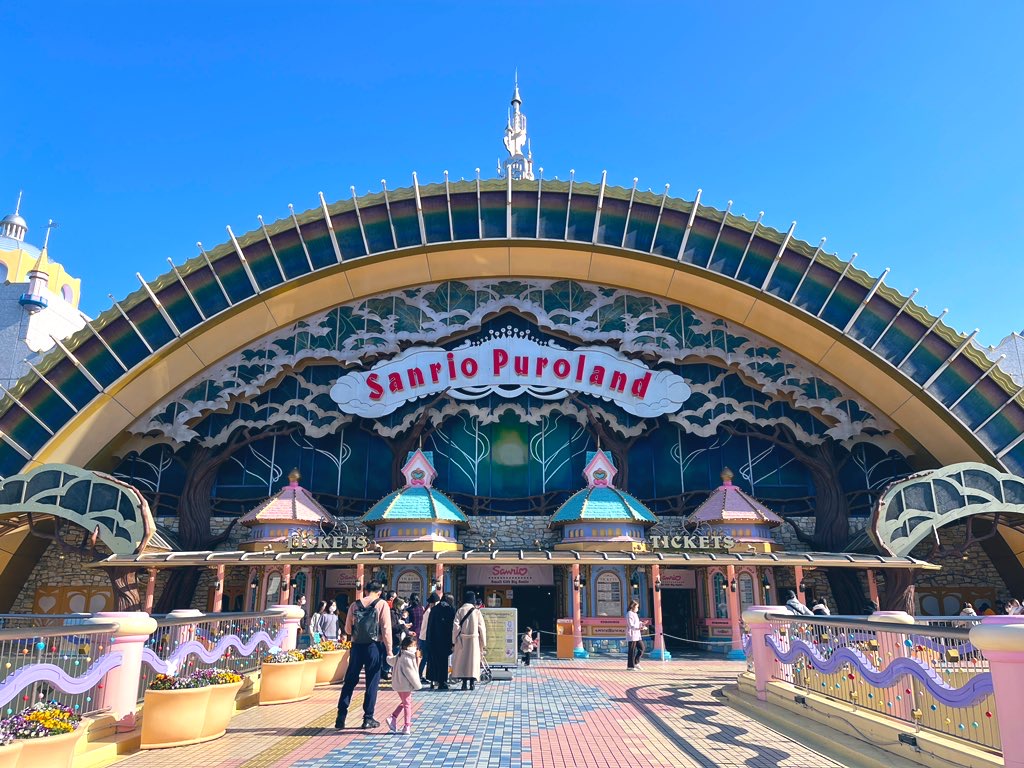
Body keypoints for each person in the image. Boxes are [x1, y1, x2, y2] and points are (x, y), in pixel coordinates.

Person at [336, 580, 391, 730]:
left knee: (350, 681)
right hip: (374, 647)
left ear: (365, 591)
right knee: (372, 682)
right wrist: (389, 651)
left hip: (356, 646)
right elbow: (386, 630)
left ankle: (341, 716)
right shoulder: (381, 604)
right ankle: (368, 718)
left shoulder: (354, 605)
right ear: (379, 592)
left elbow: (348, 630)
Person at [386, 635, 422, 735]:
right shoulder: (408, 658)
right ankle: (407, 726)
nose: (414, 647)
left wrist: (389, 655)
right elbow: (412, 673)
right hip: (405, 684)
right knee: (407, 705)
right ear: (407, 646)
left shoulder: (400, 654)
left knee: (405, 702)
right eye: (412, 645)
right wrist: (417, 685)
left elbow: (391, 661)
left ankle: (393, 717)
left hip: (398, 684)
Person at [451, 590, 487, 690]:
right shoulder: (477, 612)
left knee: (463, 662)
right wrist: (483, 642)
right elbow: (482, 628)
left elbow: (455, 627)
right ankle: (472, 683)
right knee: (473, 662)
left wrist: (454, 640)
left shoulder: (460, 610)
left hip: (462, 639)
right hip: (474, 640)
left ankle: (464, 683)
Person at [424, 593, 455, 690]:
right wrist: (453, 642)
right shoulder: (451, 610)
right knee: (443, 662)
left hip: (433, 640)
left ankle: (433, 680)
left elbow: (430, 626)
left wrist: (428, 639)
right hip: (445, 641)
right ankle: (442, 682)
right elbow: (453, 627)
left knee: (433, 660)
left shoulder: (434, 609)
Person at [626, 599, 644, 670]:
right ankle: (630, 666)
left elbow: (637, 622)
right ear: (632, 606)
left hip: (637, 635)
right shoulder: (629, 614)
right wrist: (639, 628)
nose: (637, 609)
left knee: (641, 648)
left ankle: (636, 662)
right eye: (636, 607)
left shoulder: (635, 614)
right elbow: (631, 625)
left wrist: (642, 624)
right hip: (632, 635)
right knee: (632, 650)